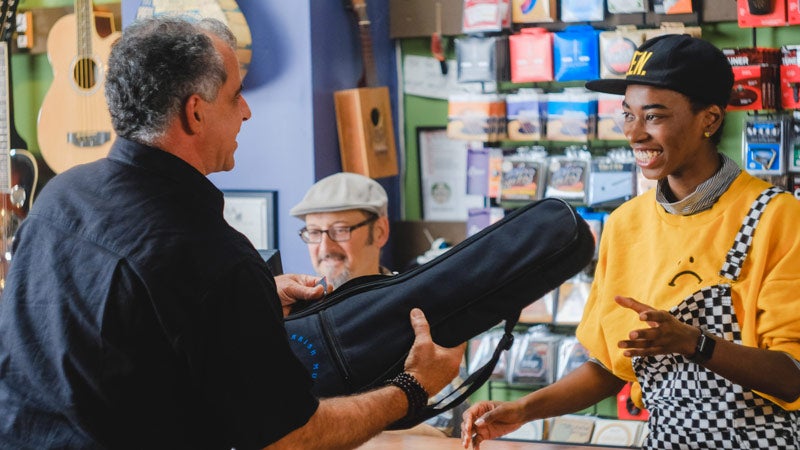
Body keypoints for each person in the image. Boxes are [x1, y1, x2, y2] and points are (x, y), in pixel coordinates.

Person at [0, 16, 464, 449]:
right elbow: (290, 437)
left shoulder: (60, 197)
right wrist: (411, 388)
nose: (246, 112)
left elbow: (107, 341)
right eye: (235, 95)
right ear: (195, 113)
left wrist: (251, 301)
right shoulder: (211, 257)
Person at [461, 34, 800, 450]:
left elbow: (791, 376)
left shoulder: (777, 217)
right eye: (627, 115)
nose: (635, 134)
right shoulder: (625, 224)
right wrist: (524, 411)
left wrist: (695, 343)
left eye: (654, 116)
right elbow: (610, 366)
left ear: (709, 119)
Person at [290, 171, 469, 438]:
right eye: (314, 232)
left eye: (340, 230)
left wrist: (325, 428)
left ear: (381, 231)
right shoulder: (296, 317)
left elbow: (442, 425)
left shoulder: (421, 313)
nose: (325, 247)